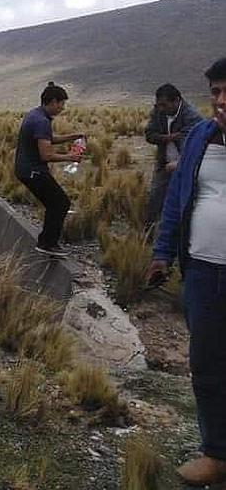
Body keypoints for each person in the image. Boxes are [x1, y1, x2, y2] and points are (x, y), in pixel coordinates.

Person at [147, 57, 226, 486]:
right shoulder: (200, 137)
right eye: (216, 92)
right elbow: (178, 198)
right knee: (207, 364)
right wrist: (163, 253)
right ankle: (216, 453)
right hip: (203, 272)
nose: (221, 100)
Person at [13, 82, 85, 257]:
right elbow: (46, 155)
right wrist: (70, 157)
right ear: (53, 101)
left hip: (25, 170)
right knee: (60, 203)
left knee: (54, 203)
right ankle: (48, 244)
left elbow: (47, 139)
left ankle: (46, 241)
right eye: (61, 104)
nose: (62, 108)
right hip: (33, 171)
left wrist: (73, 136)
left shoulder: (35, 115)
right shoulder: (41, 121)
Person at [144, 83, 203, 229]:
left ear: (177, 101)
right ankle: (148, 231)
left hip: (187, 165)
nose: (161, 109)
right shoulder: (158, 112)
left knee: (187, 199)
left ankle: (185, 234)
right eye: (158, 105)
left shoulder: (192, 116)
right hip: (163, 162)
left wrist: (180, 163)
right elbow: (149, 135)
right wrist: (171, 137)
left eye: (164, 105)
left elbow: (193, 145)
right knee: (155, 196)